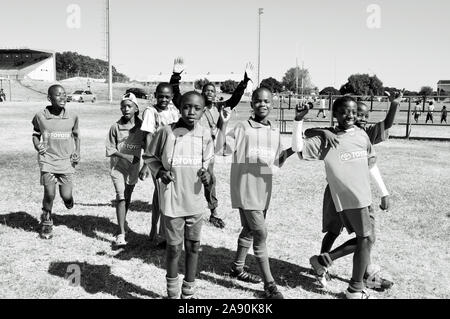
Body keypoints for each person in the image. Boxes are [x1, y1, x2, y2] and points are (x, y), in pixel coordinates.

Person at [303, 90, 402, 290]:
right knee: (335, 231)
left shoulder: (364, 134)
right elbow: (308, 133)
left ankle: (363, 274)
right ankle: (324, 266)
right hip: (337, 193)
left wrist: (383, 192)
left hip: (360, 194)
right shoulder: (336, 132)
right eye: (360, 115)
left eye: (364, 115)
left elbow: (371, 162)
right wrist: (323, 132)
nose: (362, 119)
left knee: (366, 237)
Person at [215, 87, 294, 299]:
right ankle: (270, 286)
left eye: (267, 101)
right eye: (258, 101)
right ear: (252, 104)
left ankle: (237, 268)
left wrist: (294, 146)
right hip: (245, 188)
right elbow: (220, 148)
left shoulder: (275, 131)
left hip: (264, 190)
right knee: (260, 233)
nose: (263, 104)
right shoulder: (243, 128)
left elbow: (277, 161)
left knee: (250, 230)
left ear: (272, 103)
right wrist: (223, 123)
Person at [144, 91, 213, 299]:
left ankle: (188, 291)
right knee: (174, 249)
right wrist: (160, 172)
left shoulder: (205, 134)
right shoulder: (166, 132)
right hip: (173, 202)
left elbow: (208, 164)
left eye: (197, 108)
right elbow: (149, 156)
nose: (191, 112)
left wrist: (206, 175)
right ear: (179, 108)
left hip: (195, 201)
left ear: (203, 111)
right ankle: (172, 293)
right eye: (186, 107)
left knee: (193, 246)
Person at [170, 58, 253, 229]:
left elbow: (235, 98)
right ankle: (182, 208)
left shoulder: (219, 107)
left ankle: (213, 212)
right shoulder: (194, 107)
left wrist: (245, 81)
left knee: (209, 179)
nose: (209, 92)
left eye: (212, 91)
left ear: (215, 95)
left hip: (207, 151)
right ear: (201, 92)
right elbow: (176, 97)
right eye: (206, 90)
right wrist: (176, 76)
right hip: (187, 149)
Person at [31, 84, 80, 239]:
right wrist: (38, 146)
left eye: (64, 94)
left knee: (66, 195)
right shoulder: (40, 116)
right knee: (49, 193)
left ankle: (68, 199)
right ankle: (46, 222)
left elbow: (77, 136)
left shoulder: (72, 116)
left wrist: (77, 152)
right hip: (48, 161)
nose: (62, 97)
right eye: (58, 95)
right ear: (49, 98)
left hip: (66, 162)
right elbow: (35, 134)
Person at [139, 82, 180, 246]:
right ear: (155, 95)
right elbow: (148, 137)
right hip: (157, 160)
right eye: (160, 96)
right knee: (163, 196)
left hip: (172, 159)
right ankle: (163, 234)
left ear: (171, 97)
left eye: (167, 96)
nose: (164, 99)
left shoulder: (174, 111)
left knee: (160, 196)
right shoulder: (151, 111)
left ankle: (154, 231)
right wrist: (147, 164)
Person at [105, 93, 145, 247]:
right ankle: (121, 233)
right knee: (121, 197)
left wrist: (146, 166)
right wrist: (126, 156)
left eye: (129, 106)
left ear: (136, 108)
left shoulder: (142, 127)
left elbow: (147, 146)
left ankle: (123, 221)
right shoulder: (115, 127)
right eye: (123, 106)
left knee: (127, 196)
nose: (125, 109)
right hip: (118, 168)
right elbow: (110, 148)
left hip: (133, 168)